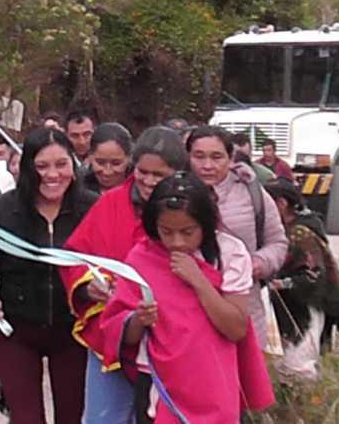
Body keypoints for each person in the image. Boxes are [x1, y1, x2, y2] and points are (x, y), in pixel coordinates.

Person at [101, 174, 274, 422]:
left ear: (206, 224)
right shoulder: (142, 257)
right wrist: (139, 319)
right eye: (166, 232)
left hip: (212, 380)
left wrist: (199, 281)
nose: (176, 242)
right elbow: (119, 329)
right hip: (158, 383)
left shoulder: (230, 254)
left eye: (187, 232)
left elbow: (236, 328)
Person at [0, 128, 97, 424]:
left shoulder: (92, 208)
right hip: (16, 331)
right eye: (42, 166)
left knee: (73, 416)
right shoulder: (2, 210)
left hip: (74, 330)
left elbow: (111, 265)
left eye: (61, 164)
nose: (53, 174)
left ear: (73, 166)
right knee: (26, 419)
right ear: (27, 168)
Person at [61, 126, 188, 424]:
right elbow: (73, 256)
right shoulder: (110, 203)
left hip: (171, 337)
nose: (148, 181)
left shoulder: (191, 209)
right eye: (143, 172)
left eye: (159, 176)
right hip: (113, 334)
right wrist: (88, 285)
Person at [187, 126, 288, 345]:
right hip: (188, 309)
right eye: (198, 156)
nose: (207, 166)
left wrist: (258, 263)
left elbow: (277, 242)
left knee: (243, 374)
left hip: (244, 307)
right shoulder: (176, 193)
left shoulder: (251, 193)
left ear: (230, 158)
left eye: (216, 157)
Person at [265, 179, 339, 381]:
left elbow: (313, 276)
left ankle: (304, 407)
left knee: (297, 366)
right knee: (285, 366)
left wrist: (279, 284)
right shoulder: (283, 231)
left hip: (306, 308)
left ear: (281, 204)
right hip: (290, 308)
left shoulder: (301, 234)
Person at [82, 123, 133, 194]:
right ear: (90, 157)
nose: (107, 172)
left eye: (116, 163)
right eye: (100, 163)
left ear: (129, 158)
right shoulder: (78, 191)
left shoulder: (142, 192)